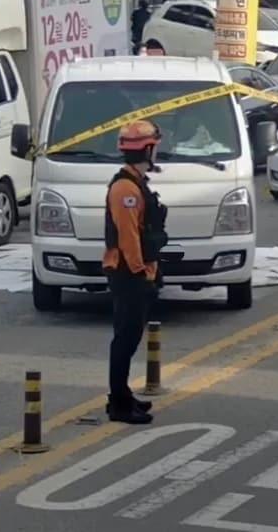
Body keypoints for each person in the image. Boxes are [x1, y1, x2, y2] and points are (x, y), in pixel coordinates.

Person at [102, 120, 168, 425]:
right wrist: (142, 274)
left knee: (130, 337)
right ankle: (117, 402)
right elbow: (129, 239)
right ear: (148, 149)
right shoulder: (125, 189)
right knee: (125, 339)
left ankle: (123, 395)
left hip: (138, 271)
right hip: (128, 273)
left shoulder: (136, 183)